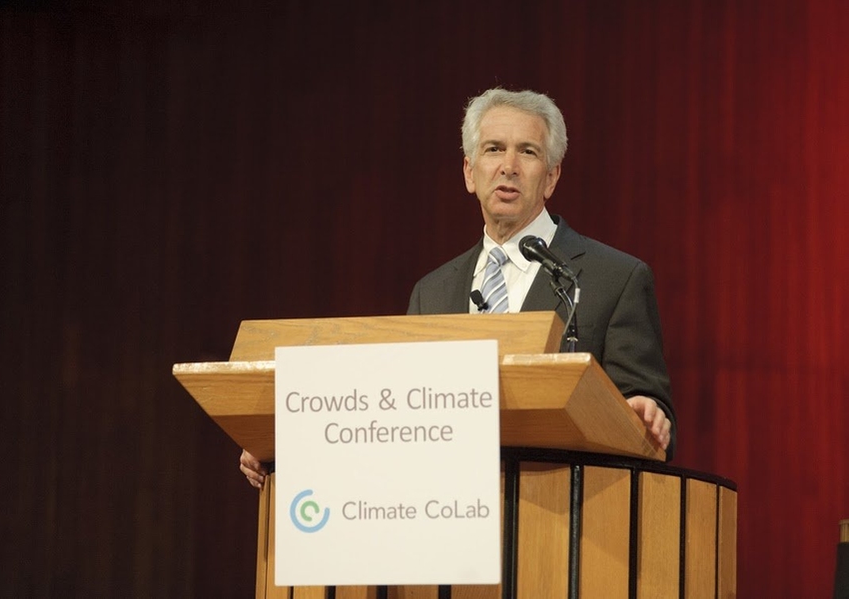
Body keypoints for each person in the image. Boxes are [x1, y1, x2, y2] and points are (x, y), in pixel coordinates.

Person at [240, 87, 675, 488]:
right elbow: (395, 413)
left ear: (552, 177)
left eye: (528, 151)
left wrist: (644, 413)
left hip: (560, 522)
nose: (509, 166)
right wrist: (287, 450)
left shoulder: (614, 278)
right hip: (446, 515)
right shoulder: (432, 291)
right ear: (470, 172)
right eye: (493, 150)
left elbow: (648, 412)